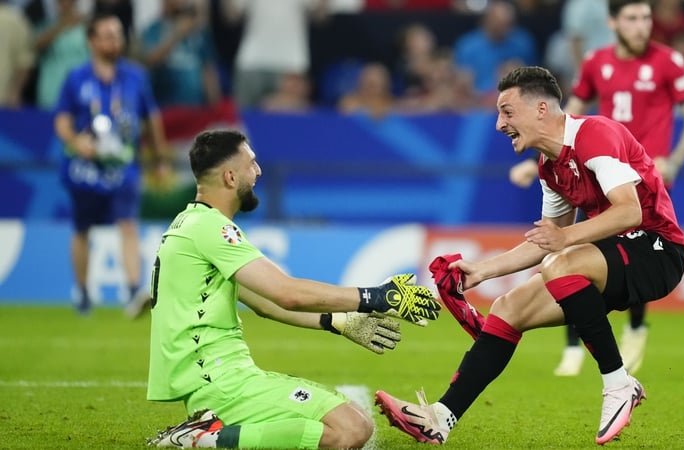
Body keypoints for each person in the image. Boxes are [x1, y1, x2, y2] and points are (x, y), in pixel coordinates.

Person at [374, 65, 684, 446]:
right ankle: (441, 416)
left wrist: (564, 237)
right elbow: (545, 241)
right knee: (509, 307)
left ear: (541, 109)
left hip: (657, 251)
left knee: (560, 264)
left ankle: (618, 383)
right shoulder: (549, 167)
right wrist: (482, 270)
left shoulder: (594, 134)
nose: (499, 124)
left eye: (507, 112)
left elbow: (629, 212)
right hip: (609, 258)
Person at [144, 129, 441, 449]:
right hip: (220, 381)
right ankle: (204, 438)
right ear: (230, 177)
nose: (258, 172)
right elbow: (287, 293)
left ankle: (209, 432)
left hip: (222, 379)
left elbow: (266, 304)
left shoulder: (189, 224)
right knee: (351, 429)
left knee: (356, 418)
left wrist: (338, 321)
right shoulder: (211, 228)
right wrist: (376, 297)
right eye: (251, 164)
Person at [508, 0, 684, 376]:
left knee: (638, 248)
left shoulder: (668, 61)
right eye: (632, 18)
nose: (641, 25)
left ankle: (635, 327)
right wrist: (535, 163)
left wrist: (674, 160)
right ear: (613, 22)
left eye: (646, 18)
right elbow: (565, 118)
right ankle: (573, 347)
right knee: (572, 252)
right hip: (597, 171)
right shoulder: (596, 62)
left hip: (643, 176)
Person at [53, 12, 170, 315]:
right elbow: (62, 120)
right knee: (82, 229)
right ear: (91, 41)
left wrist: (160, 159)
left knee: (128, 224)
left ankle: (132, 292)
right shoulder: (76, 78)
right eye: (107, 36)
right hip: (85, 169)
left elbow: (151, 118)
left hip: (124, 166)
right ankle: (82, 292)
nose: (114, 42)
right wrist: (76, 142)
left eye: (118, 35)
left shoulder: (136, 77)